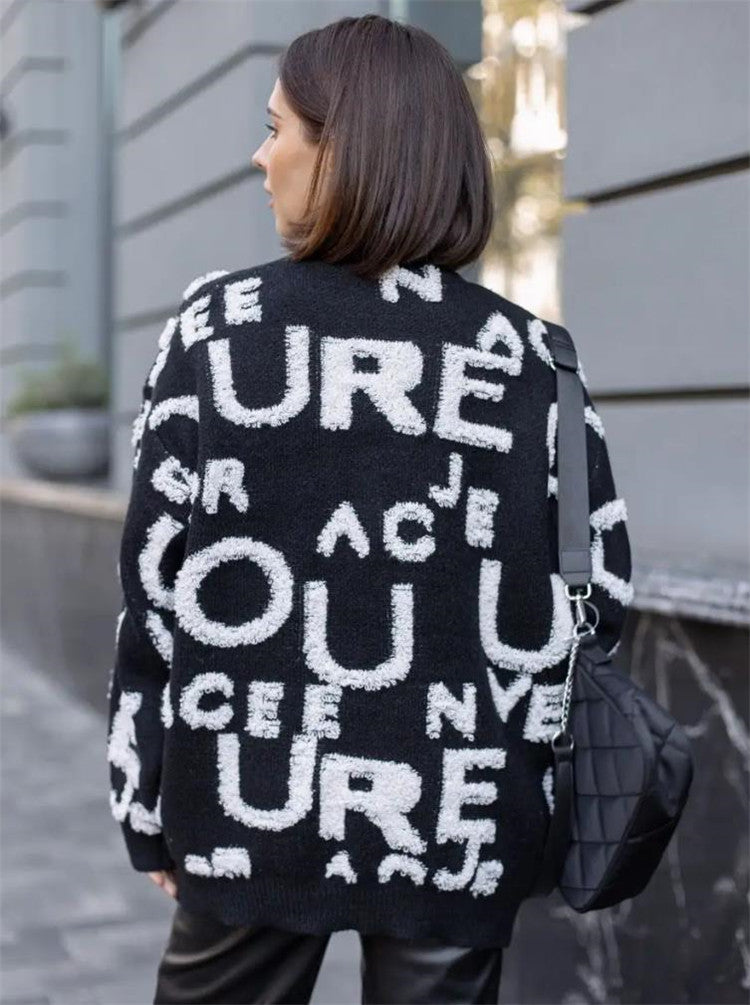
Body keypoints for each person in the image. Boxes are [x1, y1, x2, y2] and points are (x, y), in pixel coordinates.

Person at [105, 13, 633, 1005]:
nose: (260, 158)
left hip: (249, 796)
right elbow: (596, 596)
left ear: (343, 150)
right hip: (459, 812)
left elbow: (157, 589)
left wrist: (146, 799)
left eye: (276, 129)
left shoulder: (220, 330)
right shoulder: (534, 359)